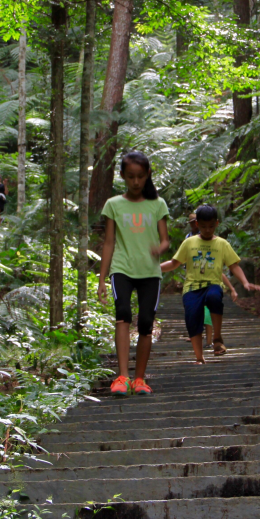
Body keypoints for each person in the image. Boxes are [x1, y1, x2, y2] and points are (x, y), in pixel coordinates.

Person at [97, 152, 170, 396]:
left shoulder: (157, 204)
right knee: (123, 314)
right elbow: (108, 242)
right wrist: (101, 280)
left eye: (140, 176)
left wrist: (158, 249)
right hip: (122, 268)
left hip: (150, 272)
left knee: (147, 322)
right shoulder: (113, 204)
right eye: (131, 177)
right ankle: (122, 377)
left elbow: (165, 240)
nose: (136, 182)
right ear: (123, 176)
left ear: (147, 175)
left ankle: (140, 378)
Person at [162, 204, 260, 363]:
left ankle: (217, 337)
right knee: (192, 318)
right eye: (203, 226)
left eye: (210, 226)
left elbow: (233, 265)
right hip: (191, 287)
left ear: (216, 223)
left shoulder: (222, 244)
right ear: (197, 225)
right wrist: (155, 269)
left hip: (212, 284)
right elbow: (175, 263)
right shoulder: (189, 243)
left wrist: (245, 282)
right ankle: (199, 357)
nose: (207, 230)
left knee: (215, 297)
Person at [185, 213, 236, 347]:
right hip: (194, 283)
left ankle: (214, 340)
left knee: (210, 308)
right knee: (194, 313)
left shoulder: (219, 243)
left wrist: (233, 288)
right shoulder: (189, 239)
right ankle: (200, 350)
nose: (207, 229)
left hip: (212, 282)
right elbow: (178, 261)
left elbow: (227, 268)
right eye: (191, 222)